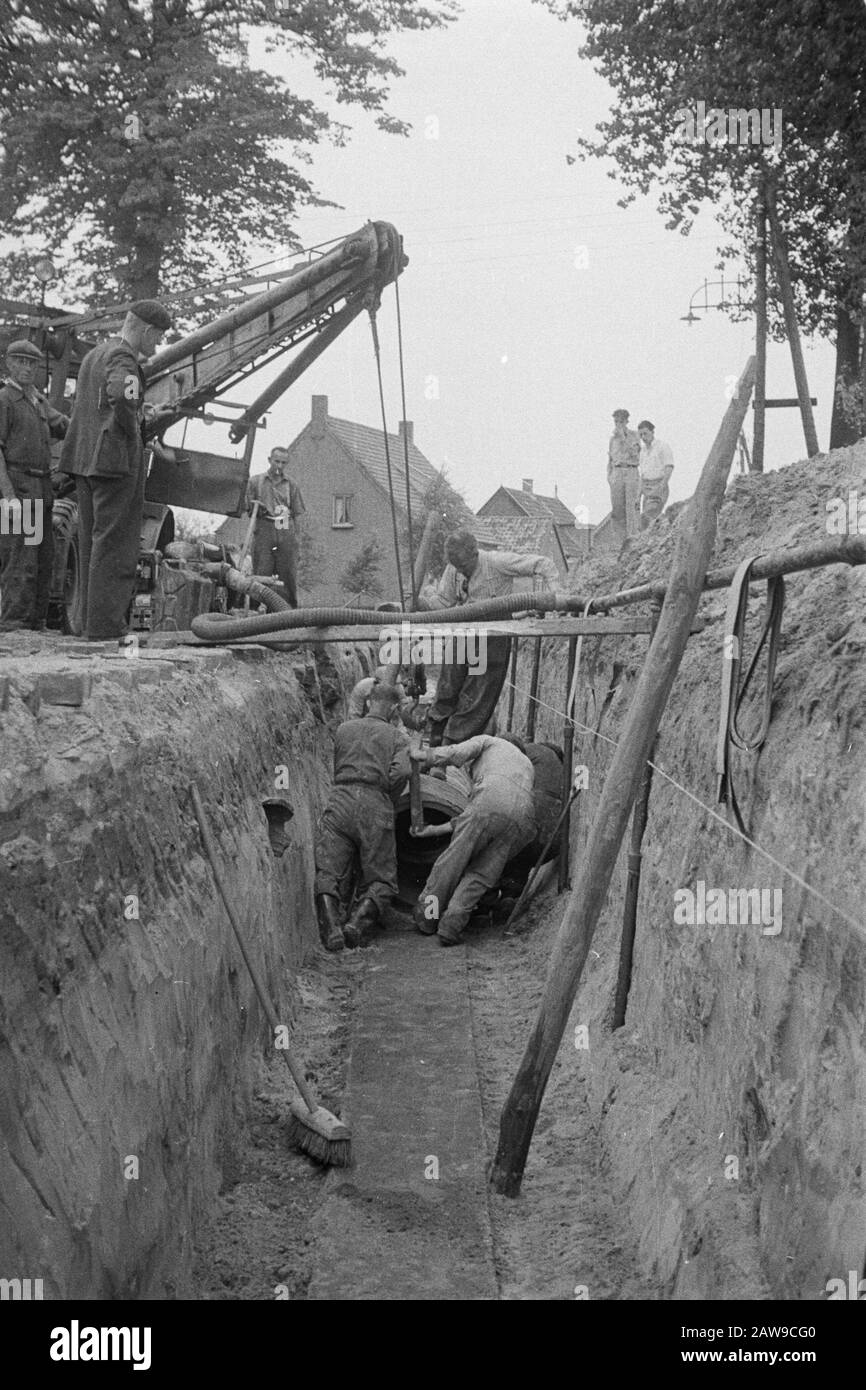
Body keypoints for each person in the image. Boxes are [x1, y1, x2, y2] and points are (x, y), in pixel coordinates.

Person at [59, 299, 172, 640]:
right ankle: (106, 628)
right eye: (158, 336)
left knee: (93, 542)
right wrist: (136, 426)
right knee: (116, 544)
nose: (158, 344)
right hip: (113, 462)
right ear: (146, 329)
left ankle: (91, 626)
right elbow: (121, 398)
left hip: (85, 461)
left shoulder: (96, 354)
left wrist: (139, 410)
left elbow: (102, 403)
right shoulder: (124, 357)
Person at [417, 529, 560, 749]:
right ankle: (434, 739)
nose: (460, 570)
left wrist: (557, 596)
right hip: (463, 634)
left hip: (491, 638)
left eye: (463, 565)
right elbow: (444, 602)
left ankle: (453, 746)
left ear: (474, 553)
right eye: (456, 566)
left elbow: (544, 564)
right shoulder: (454, 569)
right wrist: (421, 602)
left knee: (475, 697)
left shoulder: (497, 562)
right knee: (447, 688)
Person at [410, 734, 536, 946]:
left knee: (451, 862)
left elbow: (455, 752)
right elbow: (480, 815)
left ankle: (428, 917)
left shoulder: (489, 741)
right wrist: (433, 830)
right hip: (524, 816)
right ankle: (451, 926)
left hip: (491, 799)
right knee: (481, 875)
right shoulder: (526, 764)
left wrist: (423, 755)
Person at [314, 684, 411, 952]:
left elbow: (336, 762)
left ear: (369, 703)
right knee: (381, 877)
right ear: (392, 709)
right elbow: (402, 772)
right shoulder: (397, 737)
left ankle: (331, 928)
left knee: (329, 869)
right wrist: (386, 796)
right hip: (375, 801)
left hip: (340, 799)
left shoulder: (344, 728)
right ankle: (356, 924)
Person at [0, 340, 69, 631]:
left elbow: (66, 425)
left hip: (41, 489)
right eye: (21, 362)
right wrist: (8, 496)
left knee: (42, 561)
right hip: (20, 489)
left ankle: (35, 625)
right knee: (20, 562)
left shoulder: (37, 401)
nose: (27, 368)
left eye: (32, 363)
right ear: (8, 363)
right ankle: (13, 627)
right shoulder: (5, 400)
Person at [245, 447, 305, 607]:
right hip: (264, 527)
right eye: (276, 461)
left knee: (287, 575)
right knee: (261, 572)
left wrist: (297, 540)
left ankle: (288, 615)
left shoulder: (291, 485)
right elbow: (248, 509)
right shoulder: (255, 482)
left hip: (284, 525)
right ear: (269, 460)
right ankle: (255, 613)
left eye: (283, 463)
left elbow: (298, 513)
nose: (279, 465)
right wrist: (254, 507)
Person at [346, 665, 425, 729]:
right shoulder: (362, 687)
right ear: (377, 682)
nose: (393, 688)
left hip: (387, 723)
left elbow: (403, 712)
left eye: (394, 685)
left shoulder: (398, 688)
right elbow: (354, 714)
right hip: (364, 720)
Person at [608, 408, 641, 544]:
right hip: (617, 472)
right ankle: (619, 543)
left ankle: (633, 539)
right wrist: (609, 475)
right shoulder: (612, 439)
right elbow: (610, 458)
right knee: (617, 509)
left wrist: (623, 438)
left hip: (631, 470)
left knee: (631, 507)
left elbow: (635, 454)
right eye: (616, 422)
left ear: (626, 421)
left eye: (621, 422)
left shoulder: (634, 435)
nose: (618, 425)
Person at [637, 420, 674, 528]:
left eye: (645, 433)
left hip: (658, 484)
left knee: (650, 514)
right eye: (641, 435)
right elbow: (642, 475)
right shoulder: (642, 451)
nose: (643, 437)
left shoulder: (662, 446)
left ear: (652, 432)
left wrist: (662, 485)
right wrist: (638, 496)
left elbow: (669, 467)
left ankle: (667, 524)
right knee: (644, 523)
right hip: (646, 487)